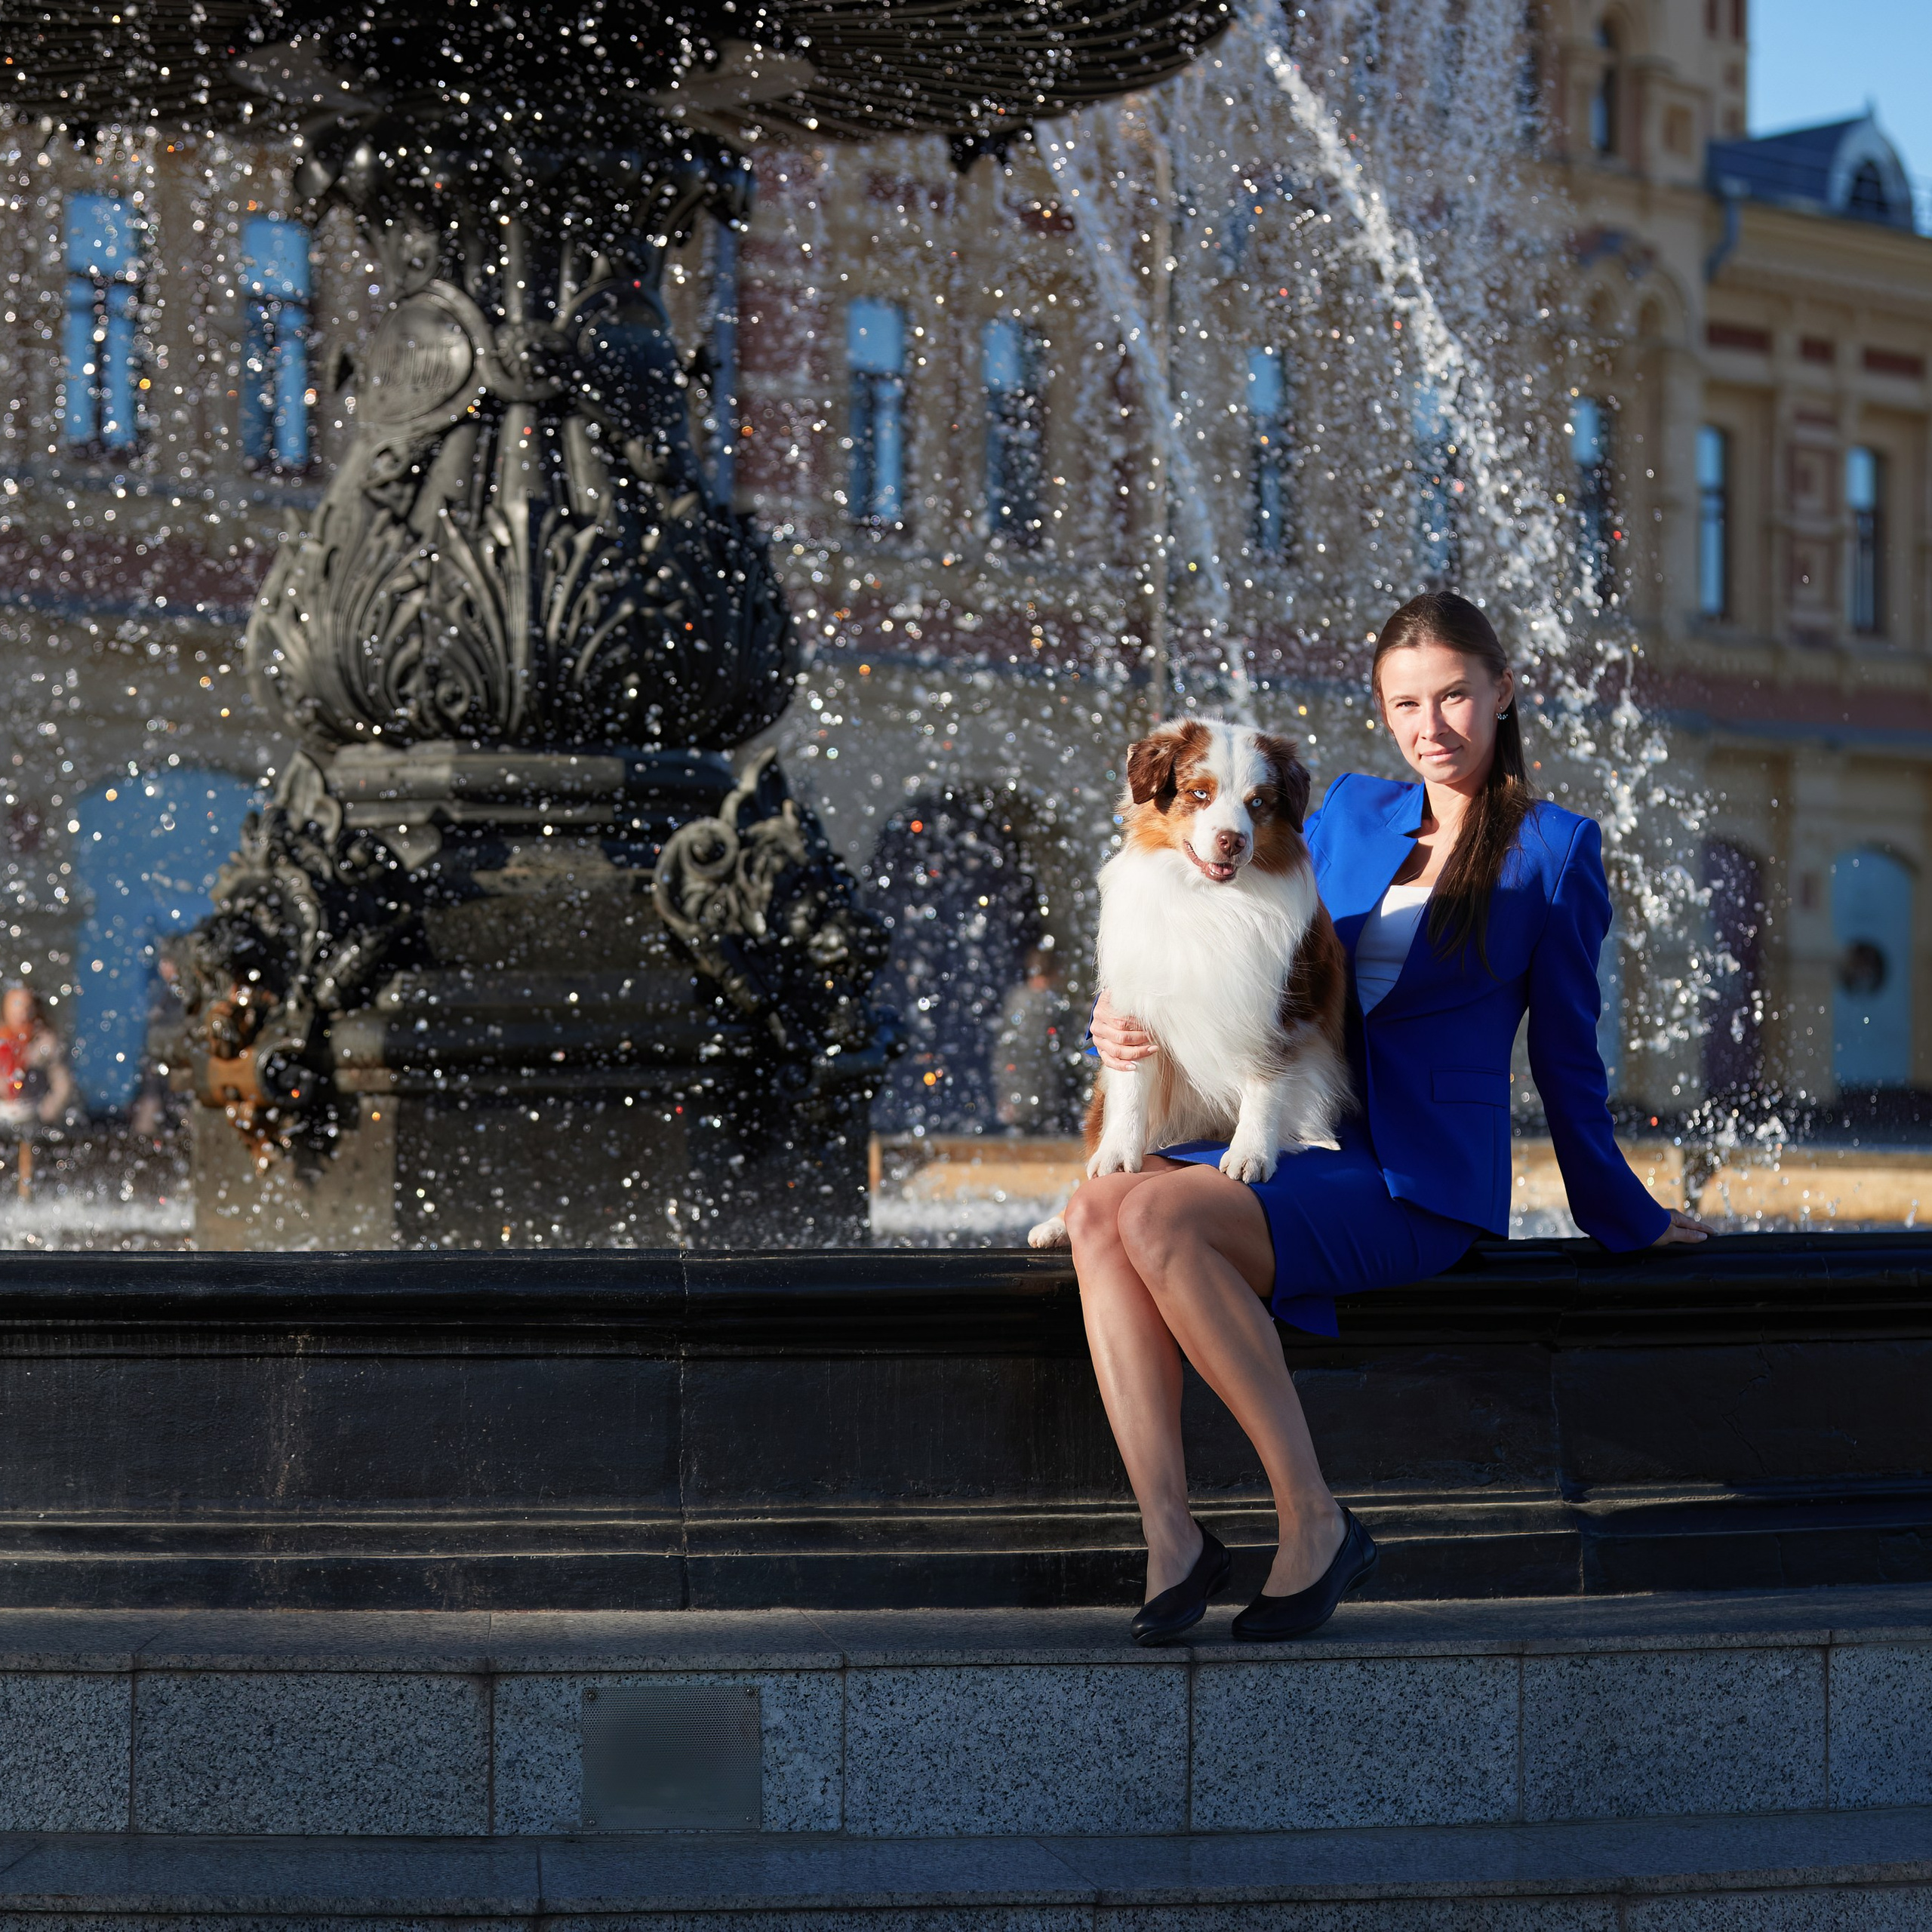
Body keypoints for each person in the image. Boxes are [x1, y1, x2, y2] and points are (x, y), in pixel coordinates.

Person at [1070, 590, 1710, 1647]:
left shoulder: (1556, 852)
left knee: (1155, 1219)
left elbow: (1567, 1059)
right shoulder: (1349, 814)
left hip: (1417, 1177)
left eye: (1455, 695)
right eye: (1405, 703)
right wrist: (1118, 1014)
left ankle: (1314, 1519)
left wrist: (1625, 1214)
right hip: (1311, 1134)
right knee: (1102, 1210)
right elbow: (1228, 945)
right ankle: (1173, 1539)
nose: (1432, 726)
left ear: (1503, 692)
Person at [994, 942, 1078, 1134]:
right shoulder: (1056, 1005)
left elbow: (1004, 1053)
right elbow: (1068, 1052)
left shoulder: (1016, 1000)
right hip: (1051, 1097)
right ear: (1056, 972)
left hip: (1020, 1095)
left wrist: (1006, 1092)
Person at [0, 984, 75, 1199]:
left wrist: (48, 1110)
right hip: (6, 1112)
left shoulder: (45, 1043)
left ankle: (27, 1194)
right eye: (15, 1006)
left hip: (33, 1113)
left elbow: (62, 1085)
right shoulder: (3, 1041)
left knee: (28, 1141)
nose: (21, 1013)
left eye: (26, 1007)